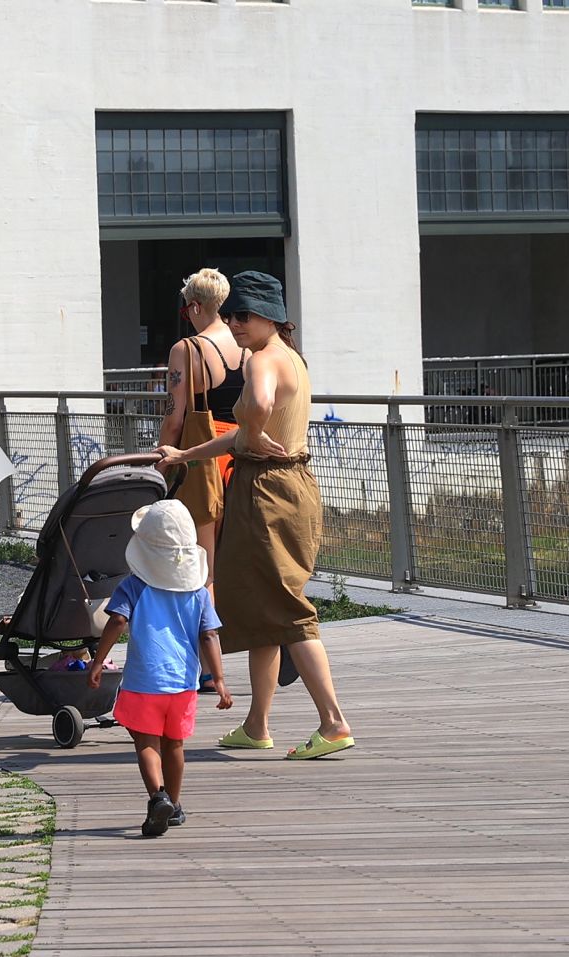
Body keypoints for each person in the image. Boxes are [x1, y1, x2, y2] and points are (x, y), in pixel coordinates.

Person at [158, 270, 354, 760]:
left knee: (286, 609)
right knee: (264, 608)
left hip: (270, 491)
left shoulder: (263, 360)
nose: (236, 323)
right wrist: (188, 455)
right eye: (231, 314)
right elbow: (242, 435)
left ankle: (333, 723)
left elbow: (259, 407)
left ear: (270, 317)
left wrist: (253, 424)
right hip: (283, 483)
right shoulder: (290, 357)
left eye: (244, 315)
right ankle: (257, 723)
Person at [86, 500, 232, 837]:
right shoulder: (197, 592)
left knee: (146, 743)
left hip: (143, 681)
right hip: (183, 683)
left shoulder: (135, 585)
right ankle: (175, 805)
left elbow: (118, 621)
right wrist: (220, 681)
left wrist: (97, 661)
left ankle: (157, 796)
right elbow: (209, 634)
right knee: (175, 745)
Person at [157, 268, 247, 690]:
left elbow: (176, 417)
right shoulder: (248, 347)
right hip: (243, 457)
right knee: (239, 563)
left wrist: (163, 459)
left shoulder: (187, 349)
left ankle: (211, 670)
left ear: (194, 307)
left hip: (204, 463)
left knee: (203, 569)